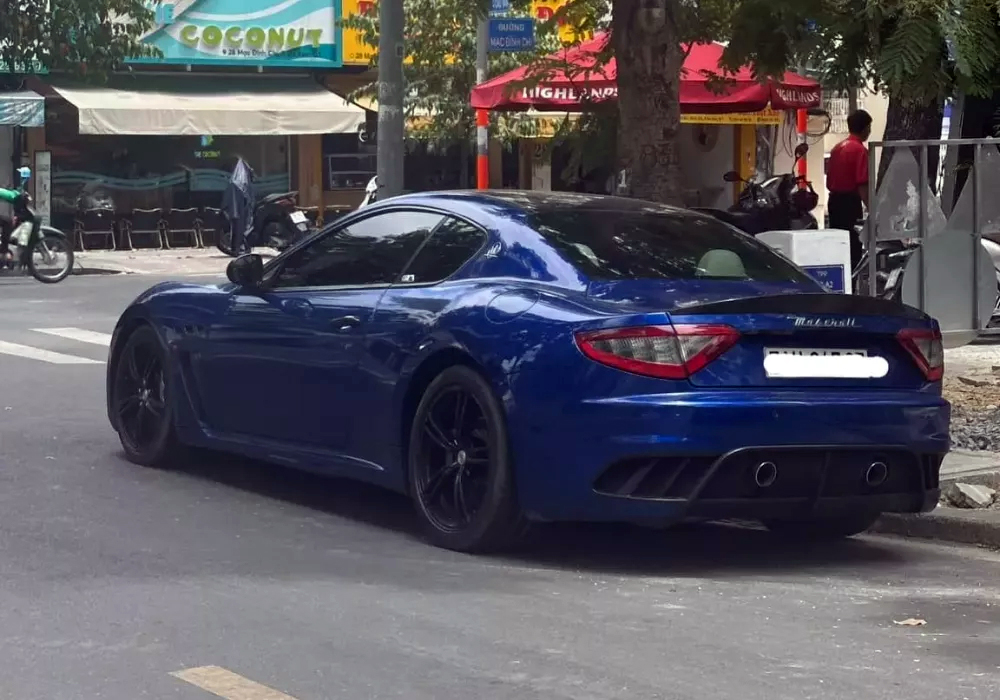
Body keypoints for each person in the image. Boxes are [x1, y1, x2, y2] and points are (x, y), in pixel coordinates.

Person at [826, 109, 873, 271]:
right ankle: (851, 280)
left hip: (834, 202)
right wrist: (871, 207)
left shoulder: (837, 148)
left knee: (838, 245)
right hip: (850, 204)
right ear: (865, 128)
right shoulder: (860, 151)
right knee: (853, 247)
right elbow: (862, 184)